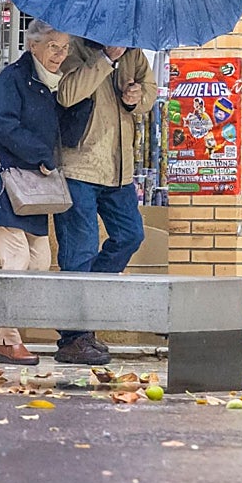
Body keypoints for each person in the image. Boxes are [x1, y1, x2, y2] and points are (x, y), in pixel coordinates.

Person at [0, 21, 74, 366]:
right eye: (54, 46)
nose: (60, 54)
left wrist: (82, 102)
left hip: (33, 191)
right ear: (34, 46)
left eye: (65, 48)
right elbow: (4, 125)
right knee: (16, 260)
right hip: (5, 184)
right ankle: (8, 342)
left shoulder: (52, 85)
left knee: (40, 262)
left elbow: (65, 131)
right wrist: (41, 155)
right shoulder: (12, 79)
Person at [52, 38, 158, 365]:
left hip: (119, 171)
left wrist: (136, 98)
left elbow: (150, 92)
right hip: (79, 167)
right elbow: (67, 94)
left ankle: (85, 315)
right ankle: (74, 337)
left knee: (130, 235)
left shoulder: (133, 52)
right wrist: (105, 60)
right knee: (80, 251)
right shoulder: (72, 48)